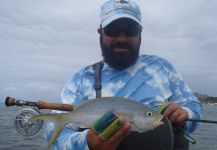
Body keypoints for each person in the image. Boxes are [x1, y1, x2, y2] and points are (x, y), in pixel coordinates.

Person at [45, 0, 202, 149]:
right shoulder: (81, 79)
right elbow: (54, 133)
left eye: (130, 30)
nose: (122, 38)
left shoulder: (163, 68)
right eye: (113, 30)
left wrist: (185, 114)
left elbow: (192, 105)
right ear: (101, 32)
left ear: (140, 32)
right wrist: (87, 144)